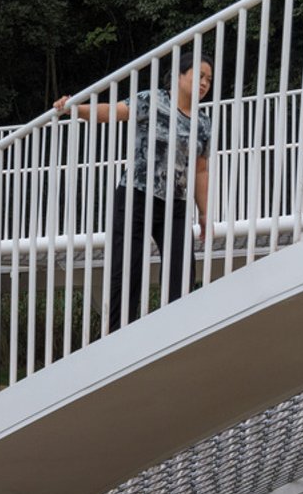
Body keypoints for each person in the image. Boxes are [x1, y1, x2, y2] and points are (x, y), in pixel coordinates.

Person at [54, 51, 213, 329]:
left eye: (208, 79)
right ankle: (120, 336)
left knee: (182, 271)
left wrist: (204, 213)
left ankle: (177, 330)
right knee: (127, 271)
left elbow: (200, 170)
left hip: (174, 203)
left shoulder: (203, 122)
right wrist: (75, 108)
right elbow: (112, 112)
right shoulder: (152, 100)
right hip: (135, 195)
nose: (204, 83)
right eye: (198, 75)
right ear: (179, 75)